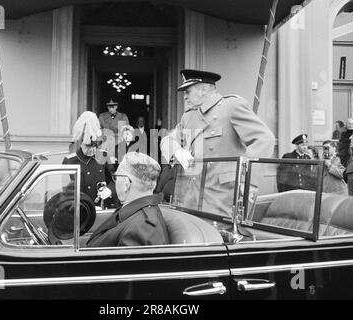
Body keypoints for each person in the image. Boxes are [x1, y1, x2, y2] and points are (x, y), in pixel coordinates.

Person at [160, 69, 275, 217]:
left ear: (203, 89)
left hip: (223, 196)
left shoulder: (231, 106)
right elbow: (167, 140)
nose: (185, 97)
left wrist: (246, 182)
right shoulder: (188, 117)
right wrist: (177, 151)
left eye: (188, 91)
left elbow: (265, 140)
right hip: (191, 197)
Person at [87, 152, 169, 247]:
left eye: (116, 177)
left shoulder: (141, 229)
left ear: (126, 184)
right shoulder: (137, 216)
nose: (115, 182)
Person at [62, 111, 119, 208]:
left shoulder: (103, 156)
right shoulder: (70, 161)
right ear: (80, 142)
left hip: (102, 210)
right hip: (80, 212)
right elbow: (66, 192)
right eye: (88, 146)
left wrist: (109, 190)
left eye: (95, 145)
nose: (93, 149)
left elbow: (115, 180)